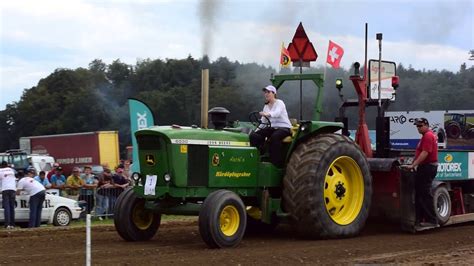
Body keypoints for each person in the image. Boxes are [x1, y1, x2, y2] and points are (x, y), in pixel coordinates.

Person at [403, 118, 439, 228]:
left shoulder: (428, 136)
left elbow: (425, 153)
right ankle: (421, 219)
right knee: (421, 193)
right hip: (427, 167)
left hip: (427, 167)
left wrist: (414, 165)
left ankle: (432, 220)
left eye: (420, 126)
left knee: (424, 193)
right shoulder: (428, 135)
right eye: (417, 126)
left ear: (426, 125)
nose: (418, 128)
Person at [249, 85, 292, 167]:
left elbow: (277, 113)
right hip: (272, 128)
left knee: (274, 137)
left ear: (274, 93)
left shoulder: (279, 103)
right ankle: (258, 157)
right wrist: (256, 131)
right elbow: (263, 122)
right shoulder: (266, 106)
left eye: (268, 92)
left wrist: (267, 114)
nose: (266, 94)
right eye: (265, 92)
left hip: (283, 128)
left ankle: (276, 164)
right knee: (254, 136)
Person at [0, 161, 17, 229]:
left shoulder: (0, 170)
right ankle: (12, 224)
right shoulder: (12, 170)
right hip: (13, 189)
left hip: (5, 189)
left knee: (6, 207)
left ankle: (7, 224)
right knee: (12, 207)